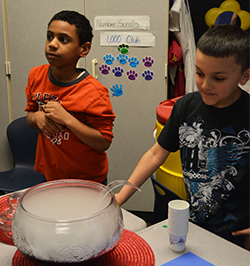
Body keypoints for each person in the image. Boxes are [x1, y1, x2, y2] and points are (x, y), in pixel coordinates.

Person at [115, 25, 250, 250]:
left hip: (239, 234)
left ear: (244, 76)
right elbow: (156, 154)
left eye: (218, 78)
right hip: (194, 225)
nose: (205, 85)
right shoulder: (186, 106)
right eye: (199, 73)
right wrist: (121, 197)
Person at [25, 10, 116, 184]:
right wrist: (36, 117)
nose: (52, 44)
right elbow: (29, 115)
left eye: (63, 39)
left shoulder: (95, 92)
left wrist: (67, 119)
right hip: (50, 173)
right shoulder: (36, 75)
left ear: (84, 49)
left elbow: (104, 141)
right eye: (49, 37)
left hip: (87, 179)